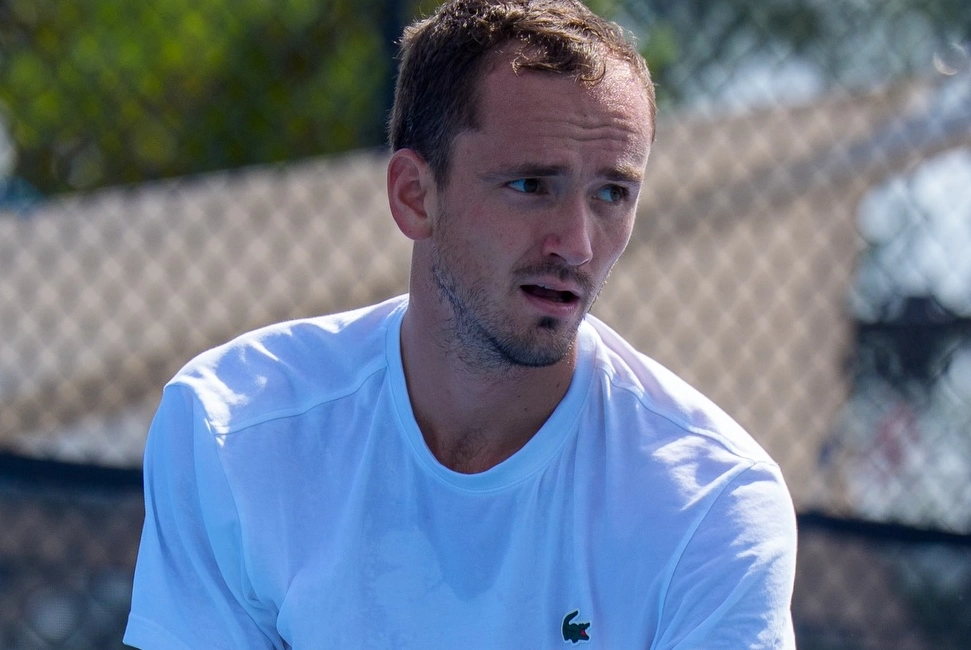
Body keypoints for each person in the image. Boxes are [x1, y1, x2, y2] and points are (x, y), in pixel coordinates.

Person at [123, 0, 798, 647]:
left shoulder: (716, 503)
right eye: (531, 186)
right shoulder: (232, 427)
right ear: (414, 196)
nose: (577, 244)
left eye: (612, 194)